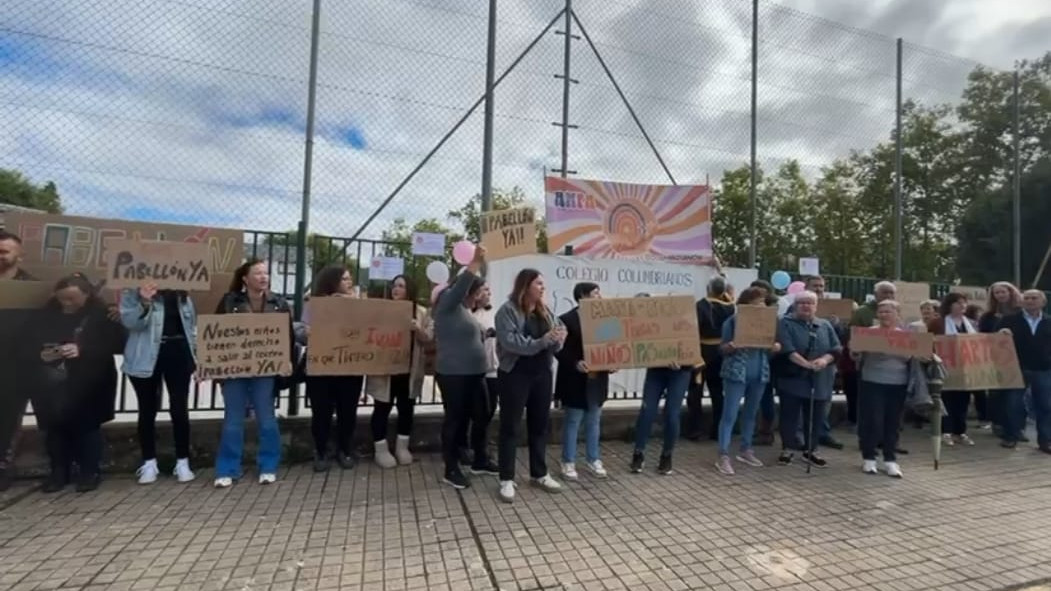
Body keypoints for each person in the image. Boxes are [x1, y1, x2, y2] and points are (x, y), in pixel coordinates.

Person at [25, 274, 126, 493]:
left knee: (87, 429)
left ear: (87, 295)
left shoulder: (102, 315)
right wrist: (42, 353)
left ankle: (89, 472)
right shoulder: (45, 315)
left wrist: (83, 350)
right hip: (52, 380)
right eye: (62, 298)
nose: (67, 304)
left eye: (72, 299)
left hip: (90, 380)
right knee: (54, 429)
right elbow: (28, 341)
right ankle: (59, 472)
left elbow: (117, 343)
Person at [213, 260, 293, 488]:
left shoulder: (279, 303)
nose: (263, 276)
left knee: (266, 419)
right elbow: (216, 335)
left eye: (266, 273)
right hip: (235, 369)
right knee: (232, 420)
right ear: (245, 279)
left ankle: (268, 465)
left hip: (266, 370)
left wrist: (286, 360)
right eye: (258, 273)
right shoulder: (229, 301)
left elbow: (287, 335)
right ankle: (227, 468)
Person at [494, 268, 566, 502]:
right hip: (515, 373)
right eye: (538, 283)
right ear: (525, 286)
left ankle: (539, 473)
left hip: (541, 373)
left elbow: (554, 342)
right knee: (510, 426)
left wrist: (558, 340)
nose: (542, 287)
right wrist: (543, 341)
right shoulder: (507, 311)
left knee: (540, 425)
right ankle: (506, 479)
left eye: (543, 284)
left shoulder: (545, 311)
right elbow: (512, 342)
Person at [119, 282, 197, 484]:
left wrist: (196, 356)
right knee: (147, 409)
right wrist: (144, 301)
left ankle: (182, 461)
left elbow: (191, 326)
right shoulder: (133, 291)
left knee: (179, 408)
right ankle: (149, 462)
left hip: (178, 354)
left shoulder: (183, 293)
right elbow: (130, 322)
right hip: (145, 356)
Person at [433, 246, 491, 489]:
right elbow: (461, 284)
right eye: (476, 290)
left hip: (475, 373)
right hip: (454, 374)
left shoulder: (465, 311)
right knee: (455, 420)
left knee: (483, 413)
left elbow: (468, 336)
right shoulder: (448, 302)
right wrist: (475, 261)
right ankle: (451, 468)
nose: (479, 295)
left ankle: (479, 459)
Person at [367, 274, 432, 469]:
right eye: (394, 285)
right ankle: (380, 449)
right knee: (381, 409)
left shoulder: (421, 312)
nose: (396, 289)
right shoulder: (382, 309)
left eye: (401, 286)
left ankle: (402, 447)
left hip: (409, 372)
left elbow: (428, 337)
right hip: (385, 372)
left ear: (409, 290)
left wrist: (417, 329)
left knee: (406, 409)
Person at [303, 265, 363, 472]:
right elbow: (304, 332)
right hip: (322, 367)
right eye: (345, 279)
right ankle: (321, 451)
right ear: (333, 282)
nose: (350, 282)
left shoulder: (358, 304)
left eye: (350, 279)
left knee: (348, 411)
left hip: (350, 367)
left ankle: (345, 449)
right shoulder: (314, 304)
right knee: (321, 412)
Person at [715, 287, 781, 475]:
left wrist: (775, 347)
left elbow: (771, 346)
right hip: (736, 372)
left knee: (751, 413)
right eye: (756, 302)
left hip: (759, 372)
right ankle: (723, 454)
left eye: (763, 302)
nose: (760, 306)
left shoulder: (768, 323)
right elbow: (722, 349)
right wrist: (731, 346)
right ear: (745, 305)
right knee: (730, 414)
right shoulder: (732, 321)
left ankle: (746, 449)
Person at [854, 300, 923, 478]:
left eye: (888, 312)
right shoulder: (869, 333)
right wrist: (855, 348)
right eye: (881, 311)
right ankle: (869, 457)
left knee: (893, 422)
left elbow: (912, 358)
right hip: (872, 381)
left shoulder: (906, 336)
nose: (884, 315)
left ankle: (890, 459)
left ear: (897, 314)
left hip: (898, 383)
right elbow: (855, 355)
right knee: (873, 420)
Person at [775, 291, 842, 468]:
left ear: (816, 306)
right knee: (789, 415)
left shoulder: (825, 325)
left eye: (810, 303)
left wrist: (824, 360)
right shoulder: (785, 323)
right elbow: (787, 349)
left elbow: (836, 348)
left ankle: (811, 450)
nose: (806, 306)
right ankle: (787, 448)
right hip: (793, 378)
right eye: (802, 303)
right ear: (795, 305)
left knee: (815, 417)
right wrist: (806, 364)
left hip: (820, 379)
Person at [630, 294, 694, 476]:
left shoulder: (679, 320)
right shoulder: (642, 325)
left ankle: (667, 455)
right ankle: (638, 453)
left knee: (672, 413)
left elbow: (691, 346)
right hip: (656, 371)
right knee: (647, 411)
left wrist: (682, 362)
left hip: (679, 372)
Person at [556, 282, 609, 480]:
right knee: (573, 421)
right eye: (596, 293)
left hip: (597, 379)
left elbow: (611, 344)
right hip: (575, 380)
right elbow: (559, 350)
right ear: (582, 296)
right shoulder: (566, 320)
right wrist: (575, 363)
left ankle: (593, 459)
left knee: (594, 421)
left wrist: (612, 361)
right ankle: (568, 461)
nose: (600, 297)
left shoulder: (605, 319)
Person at [0, 230, 37, 491]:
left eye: (4, 251)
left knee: (9, 419)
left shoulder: (31, 288)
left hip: (15, 366)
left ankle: (3, 466)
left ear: (18, 255)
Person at [997, 290, 1051, 453]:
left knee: (1046, 405)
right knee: (1014, 404)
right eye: (1026, 298)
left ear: (1043, 302)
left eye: (1034, 298)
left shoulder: (1049, 321)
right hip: (1017, 368)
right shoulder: (1009, 320)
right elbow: (994, 340)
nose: (1030, 301)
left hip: (1044, 369)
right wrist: (1001, 333)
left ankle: (1045, 441)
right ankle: (1011, 436)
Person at [686, 277, 735, 441]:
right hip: (720, 353)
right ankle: (717, 430)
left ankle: (695, 429)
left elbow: (694, 328)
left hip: (702, 352)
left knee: (695, 392)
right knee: (717, 392)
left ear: (708, 288)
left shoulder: (701, 305)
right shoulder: (730, 307)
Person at [928, 292, 977, 447]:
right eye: (958, 302)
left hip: (966, 368)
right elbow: (930, 343)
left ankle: (960, 432)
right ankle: (946, 431)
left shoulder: (971, 323)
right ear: (949, 305)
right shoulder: (938, 323)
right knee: (946, 399)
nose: (962, 305)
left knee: (963, 400)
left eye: (964, 302)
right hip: (945, 368)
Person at [462, 281, 499, 470]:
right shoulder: (467, 315)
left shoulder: (494, 313)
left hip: (493, 370)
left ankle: (481, 452)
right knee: (473, 413)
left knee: (487, 413)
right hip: (472, 370)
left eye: (488, 289)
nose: (488, 292)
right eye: (484, 289)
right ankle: (470, 450)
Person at [980, 282, 1023, 436]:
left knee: (1017, 396)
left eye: (1003, 292)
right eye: (996, 293)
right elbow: (982, 336)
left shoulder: (1021, 312)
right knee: (997, 394)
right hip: (996, 360)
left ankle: (1017, 427)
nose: (1000, 295)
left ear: (1011, 293)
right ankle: (997, 423)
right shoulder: (988, 316)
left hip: (1018, 359)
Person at [750, 279, 779, 445]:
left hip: (770, 360)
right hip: (756, 359)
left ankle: (766, 432)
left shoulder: (774, 311)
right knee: (759, 397)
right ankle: (759, 430)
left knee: (766, 397)